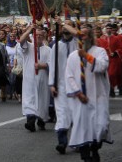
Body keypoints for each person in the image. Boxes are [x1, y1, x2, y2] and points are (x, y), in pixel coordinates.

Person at [66, 24, 112, 161]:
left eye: (85, 35)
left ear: (91, 37)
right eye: (80, 35)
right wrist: (78, 93)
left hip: (98, 96)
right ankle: (86, 155)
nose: (82, 37)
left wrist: (86, 56)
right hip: (81, 98)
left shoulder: (100, 51)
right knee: (83, 128)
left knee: (102, 126)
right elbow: (68, 76)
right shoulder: (73, 56)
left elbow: (103, 66)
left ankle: (95, 148)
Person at [49, 20, 77, 154]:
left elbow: (79, 35)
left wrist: (63, 23)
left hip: (76, 86)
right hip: (60, 85)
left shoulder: (78, 43)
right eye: (63, 27)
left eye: (68, 26)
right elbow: (52, 66)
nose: (65, 29)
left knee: (75, 114)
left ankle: (78, 141)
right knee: (61, 114)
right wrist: (52, 84)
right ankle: (62, 142)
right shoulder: (56, 46)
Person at [19, 24, 50, 132]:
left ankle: (41, 121)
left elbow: (51, 65)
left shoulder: (48, 50)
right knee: (30, 100)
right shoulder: (28, 47)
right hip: (30, 80)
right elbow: (21, 40)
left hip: (42, 80)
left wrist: (42, 65)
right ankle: (30, 122)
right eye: (37, 35)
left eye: (41, 35)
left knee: (42, 101)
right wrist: (29, 30)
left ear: (44, 37)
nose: (39, 37)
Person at [102, 23, 122, 97]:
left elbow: (121, 47)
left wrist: (116, 53)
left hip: (114, 59)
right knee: (107, 75)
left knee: (114, 74)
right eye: (107, 28)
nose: (109, 30)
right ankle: (111, 89)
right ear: (105, 29)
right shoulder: (102, 38)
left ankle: (119, 87)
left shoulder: (117, 38)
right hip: (105, 59)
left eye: (110, 29)